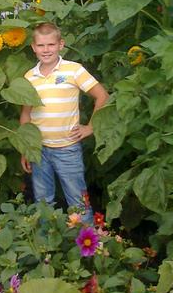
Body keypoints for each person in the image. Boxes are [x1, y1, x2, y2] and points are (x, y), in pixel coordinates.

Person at [20, 22, 109, 224]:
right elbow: (26, 114)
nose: (46, 50)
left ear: (61, 44)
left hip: (67, 149)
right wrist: (26, 148)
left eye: (51, 44)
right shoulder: (29, 77)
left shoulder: (73, 70)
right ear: (33, 47)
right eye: (41, 45)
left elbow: (102, 96)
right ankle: (48, 242)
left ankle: (86, 240)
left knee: (78, 201)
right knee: (43, 202)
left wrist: (91, 127)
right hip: (39, 150)